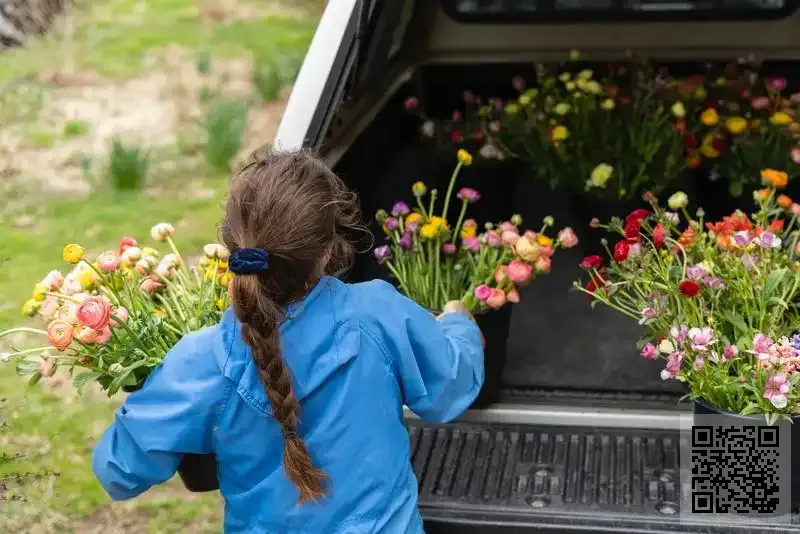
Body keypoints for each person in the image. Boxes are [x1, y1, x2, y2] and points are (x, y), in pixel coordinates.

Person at [92, 149, 485, 533]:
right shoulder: (377, 313)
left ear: (233, 246)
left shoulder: (202, 360)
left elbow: (118, 471)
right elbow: (449, 388)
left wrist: (162, 401)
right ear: (329, 250)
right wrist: (459, 325)